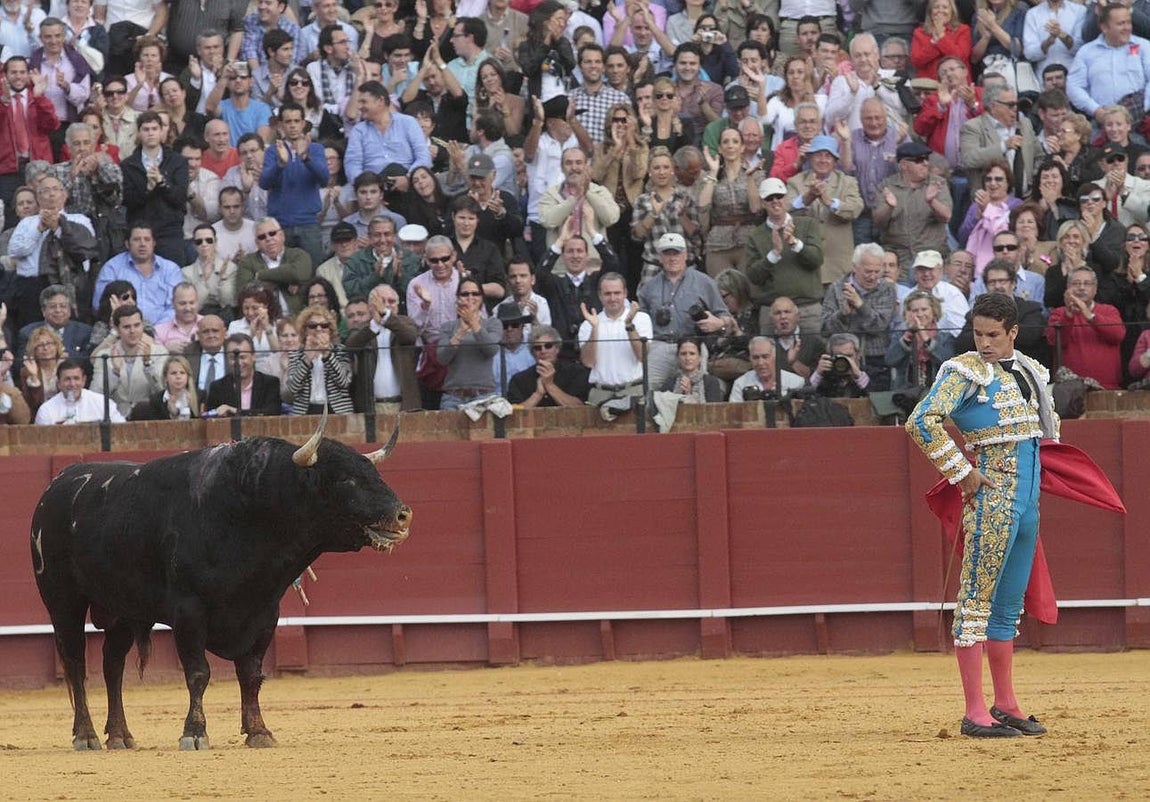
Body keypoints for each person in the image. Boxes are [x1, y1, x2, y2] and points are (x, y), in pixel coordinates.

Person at [906, 291, 1056, 739]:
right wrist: (962, 473)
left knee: (1007, 607)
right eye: (978, 333)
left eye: (994, 335)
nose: (984, 343)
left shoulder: (1031, 370)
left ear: (1013, 332)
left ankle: (1006, 702)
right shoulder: (962, 371)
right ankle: (974, 711)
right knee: (974, 602)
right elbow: (921, 421)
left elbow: (1046, 436)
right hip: (992, 502)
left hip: (1028, 506)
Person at [637, 232, 731, 390]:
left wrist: (719, 323)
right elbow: (641, 323)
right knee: (648, 391)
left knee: (697, 392)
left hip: (692, 346)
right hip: (659, 345)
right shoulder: (648, 287)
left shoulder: (704, 282)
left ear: (686, 254)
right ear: (660, 256)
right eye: (667, 253)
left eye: (677, 253)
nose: (672, 258)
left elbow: (727, 317)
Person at [745, 177, 824, 336]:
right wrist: (774, 254)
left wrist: (795, 244)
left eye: (779, 196)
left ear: (786, 198)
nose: (775, 201)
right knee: (770, 359)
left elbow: (816, 259)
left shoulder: (807, 224)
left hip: (807, 308)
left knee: (813, 356)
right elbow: (754, 276)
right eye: (769, 198)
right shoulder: (755, 235)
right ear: (763, 203)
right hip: (772, 311)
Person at [784, 134, 863, 286]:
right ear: (809, 158)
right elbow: (785, 211)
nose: (823, 160)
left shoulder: (847, 182)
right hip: (805, 262)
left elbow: (856, 209)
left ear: (835, 161)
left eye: (828, 156)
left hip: (838, 265)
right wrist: (807, 198)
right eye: (818, 155)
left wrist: (829, 201)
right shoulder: (795, 182)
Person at [259, 102, 329, 268]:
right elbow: (264, 182)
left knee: (313, 273)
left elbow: (324, 178)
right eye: (288, 121)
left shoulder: (316, 149)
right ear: (281, 125)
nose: (293, 125)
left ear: (303, 124)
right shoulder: (272, 151)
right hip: (281, 225)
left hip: (308, 223)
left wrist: (306, 158)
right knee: (283, 274)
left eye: (296, 121)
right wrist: (280, 164)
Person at [821, 243, 898, 391]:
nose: (873, 277)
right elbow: (825, 329)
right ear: (855, 267)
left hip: (876, 359)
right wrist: (842, 315)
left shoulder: (887, 289)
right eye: (868, 271)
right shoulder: (836, 288)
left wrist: (860, 305)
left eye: (877, 271)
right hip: (841, 359)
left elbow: (879, 327)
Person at [872, 141, 953, 279]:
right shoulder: (887, 186)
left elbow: (946, 216)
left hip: (931, 261)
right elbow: (878, 222)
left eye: (926, 159)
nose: (926, 163)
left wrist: (932, 201)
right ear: (903, 165)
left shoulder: (937, 183)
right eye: (919, 160)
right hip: (899, 263)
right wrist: (889, 207)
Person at [120, 111, 190, 264]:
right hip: (140, 232)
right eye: (146, 129)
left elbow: (180, 198)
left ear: (161, 131)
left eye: (154, 128)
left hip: (170, 231)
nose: (150, 133)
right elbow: (127, 200)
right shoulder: (128, 165)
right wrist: (147, 189)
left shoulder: (178, 162)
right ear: (139, 133)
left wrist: (162, 183)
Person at [577, 271, 650, 417]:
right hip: (600, 394)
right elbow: (588, 362)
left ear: (625, 294)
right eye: (607, 294)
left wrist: (629, 325)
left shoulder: (641, 318)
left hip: (633, 391)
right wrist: (595, 328)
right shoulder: (588, 324)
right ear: (600, 296)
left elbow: (642, 356)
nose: (613, 298)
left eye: (617, 293)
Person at [955, 260, 1051, 366]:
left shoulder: (1030, 309)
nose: (997, 286)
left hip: (1022, 368)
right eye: (992, 282)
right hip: (985, 369)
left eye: (1002, 281)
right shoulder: (975, 313)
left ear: (1013, 283)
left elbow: (1030, 337)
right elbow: (962, 343)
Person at [1067, 4, 1150, 124]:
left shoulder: (1145, 47)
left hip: (1139, 122)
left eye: (1128, 22)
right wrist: (1095, 110)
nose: (1127, 27)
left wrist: (1144, 108)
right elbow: (1074, 86)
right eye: (1121, 23)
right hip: (1102, 123)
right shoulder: (1086, 52)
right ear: (1104, 27)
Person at [1045, 266, 1124, 389]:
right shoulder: (1059, 313)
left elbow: (1118, 335)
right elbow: (1055, 341)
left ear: (1095, 289)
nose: (1081, 288)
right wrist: (1068, 316)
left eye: (1087, 284)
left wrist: (1090, 316)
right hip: (1069, 389)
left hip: (1107, 388)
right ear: (1067, 288)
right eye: (1076, 283)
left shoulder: (1109, 311)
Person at [92, 224, 184, 325]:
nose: (142, 244)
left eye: (147, 239)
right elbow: (100, 305)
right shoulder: (112, 268)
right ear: (127, 244)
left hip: (164, 333)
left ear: (154, 243)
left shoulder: (170, 269)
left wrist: (156, 331)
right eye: (136, 239)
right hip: (122, 330)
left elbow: (175, 307)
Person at [89, 303, 170, 417]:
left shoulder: (159, 353)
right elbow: (95, 395)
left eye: (137, 325)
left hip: (148, 417)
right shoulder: (104, 356)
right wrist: (115, 373)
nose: (132, 331)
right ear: (117, 329)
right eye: (127, 327)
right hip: (115, 417)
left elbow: (162, 390)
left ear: (143, 325)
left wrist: (148, 365)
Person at [434, 277, 502, 410]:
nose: (470, 297)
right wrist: (459, 333)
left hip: (484, 396)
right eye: (465, 294)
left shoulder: (492, 323)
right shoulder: (447, 327)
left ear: (481, 298)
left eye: (475, 293)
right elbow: (442, 358)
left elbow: (491, 350)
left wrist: (474, 324)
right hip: (453, 397)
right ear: (458, 298)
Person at [234, 217, 313, 318]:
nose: (268, 239)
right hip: (262, 321)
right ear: (257, 243)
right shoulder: (247, 262)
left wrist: (260, 275)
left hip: (297, 319)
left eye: (272, 233)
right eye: (262, 237)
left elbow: (300, 273)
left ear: (282, 235)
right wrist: (286, 279)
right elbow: (245, 294)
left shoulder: (298, 254)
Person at [286, 304, 354, 415]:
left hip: (337, 411)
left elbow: (344, 382)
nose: (319, 329)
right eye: (312, 326)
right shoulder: (296, 354)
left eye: (324, 325)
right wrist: (307, 359)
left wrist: (327, 354)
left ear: (330, 329)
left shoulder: (339, 350)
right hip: (305, 412)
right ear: (305, 330)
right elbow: (293, 387)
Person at [506, 324, 590, 407]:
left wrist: (550, 385)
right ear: (532, 353)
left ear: (557, 348)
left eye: (548, 346)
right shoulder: (519, 380)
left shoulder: (576, 372)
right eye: (538, 348)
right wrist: (538, 394)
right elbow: (515, 414)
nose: (543, 351)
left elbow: (579, 407)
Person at [886, 290, 956, 390]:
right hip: (904, 394)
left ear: (933, 311)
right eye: (915, 310)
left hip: (937, 393)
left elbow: (948, 362)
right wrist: (908, 336)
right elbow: (890, 360)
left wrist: (925, 337)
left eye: (924, 309)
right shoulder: (899, 336)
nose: (920, 314)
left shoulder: (945, 337)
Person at [203, 332, 283, 417]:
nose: (239, 363)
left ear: (253, 357)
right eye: (233, 358)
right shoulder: (217, 387)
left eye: (242, 357)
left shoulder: (269, 383)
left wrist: (234, 411)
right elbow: (211, 419)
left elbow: (272, 413)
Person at [34, 357, 125, 424]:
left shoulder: (103, 403)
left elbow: (121, 430)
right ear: (59, 383)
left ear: (84, 380)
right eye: (67, 379)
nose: (72, 384)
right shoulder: (46, 410)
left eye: (76, 378)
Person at [728, 335, 805, 401]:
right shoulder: (741, 384)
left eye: (765, 357)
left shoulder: (796, 382)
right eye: (755, 357)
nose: (760, 363)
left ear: (774, 357)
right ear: (750, 359)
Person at [128, 354, 199, 420]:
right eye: (173, 373)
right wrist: (173, 415)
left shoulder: (200, 396)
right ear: (165, 377)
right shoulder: (156, 400)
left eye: (182, 373)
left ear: (188, 376)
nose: (178, 377)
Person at [152, 282, 202, 353]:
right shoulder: (159, 331)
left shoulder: (210, 325)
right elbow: (155, 361)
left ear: (197, 302)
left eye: (191, 303)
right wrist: (165, 350)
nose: (188, 308)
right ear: (173, 303)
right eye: (182, 303)